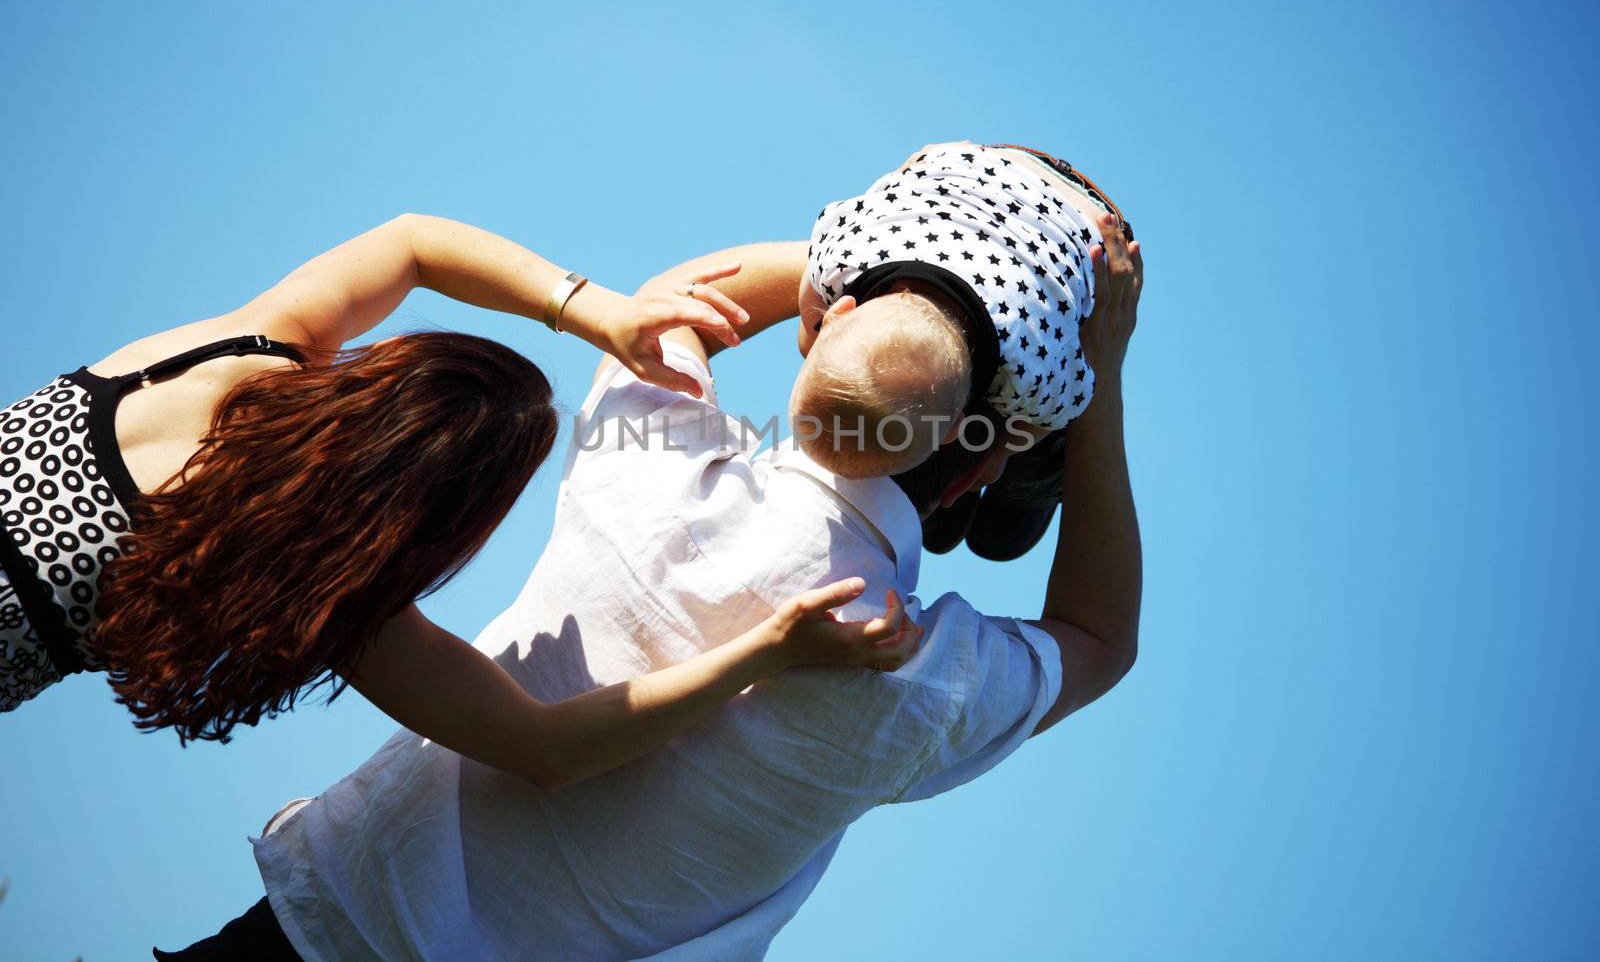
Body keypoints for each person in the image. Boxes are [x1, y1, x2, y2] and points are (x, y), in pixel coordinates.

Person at [181, 212, 1144, 960]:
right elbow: (1099, 637)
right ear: (975, 475)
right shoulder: (922, 680)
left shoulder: (647, 459)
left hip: (329, 916)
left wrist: (904, 273)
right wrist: (1100, 382)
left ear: (821, 332)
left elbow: (673, 302)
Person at [0, 212, 919, 789]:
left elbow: (410, 242)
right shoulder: (307, 583)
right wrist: (769, 646)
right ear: (438, 521)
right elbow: (545, 748)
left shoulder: (228, 358)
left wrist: (592, 308)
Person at [794, 140, 1137, 559]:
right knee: (810, 344)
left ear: (957, 423)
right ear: (840, 313)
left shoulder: (1033, 370)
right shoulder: (843, 260)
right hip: (973, 166)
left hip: (1091, 238)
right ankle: (949, 489)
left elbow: (1051, 415)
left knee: (1005, 519)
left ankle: (1016, 481)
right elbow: (810, 324)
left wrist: (1001, 451)